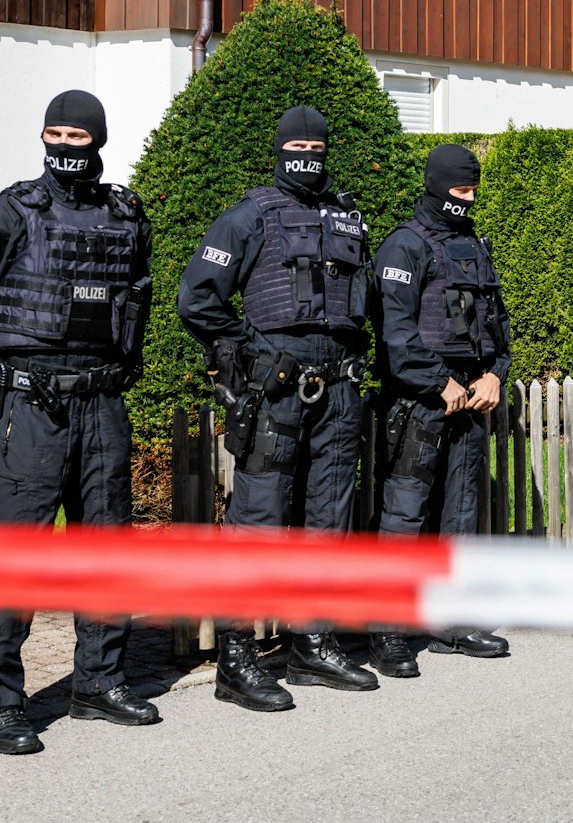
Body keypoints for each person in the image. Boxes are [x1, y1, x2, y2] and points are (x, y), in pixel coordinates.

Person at [0, 91, 156, 756]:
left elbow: (139, 296)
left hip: (100, 406)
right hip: (30, 408)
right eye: (55, 132)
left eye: (78, 134)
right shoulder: (8, 212)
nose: (66, 144)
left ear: (97, 140)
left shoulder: (127, 215)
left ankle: (97, 681)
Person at [178, 105, 379, 711]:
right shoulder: (248, 217)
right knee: (258, 521)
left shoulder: (350, 217)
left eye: (316, 147)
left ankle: (312, 642)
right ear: (278, 150)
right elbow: (198, 299)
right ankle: (236, 659)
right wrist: (244, 356)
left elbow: (365, 302)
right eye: (296, 146)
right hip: (277, 393)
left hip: (339, 393)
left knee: (328, 519)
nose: (307, 156)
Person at [369, 144, 513, 676]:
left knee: (461, 513)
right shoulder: (404, 247)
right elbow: (395, 336)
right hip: (419, 403)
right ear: (436, 186)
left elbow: (498, 326)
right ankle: (387, 633)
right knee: (404, 516)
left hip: (471, 400)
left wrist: (497, 374)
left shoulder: (474, 245)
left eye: (474, 190)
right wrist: (439, 382)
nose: (470, 199)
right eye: (461, 190)